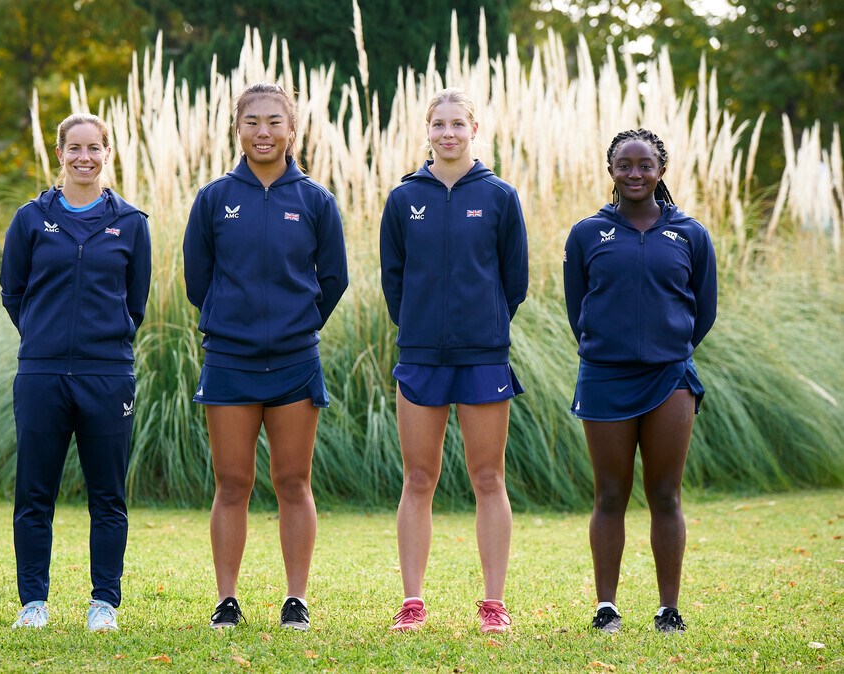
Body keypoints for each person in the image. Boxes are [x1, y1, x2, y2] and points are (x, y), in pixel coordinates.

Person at [182, 82, 349, 631]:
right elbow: (197, 279)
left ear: (292, 130)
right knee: (232, 483)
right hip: (228, 360)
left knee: (293, 482)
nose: (264, 132)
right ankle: (226, 599)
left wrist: (296, 326)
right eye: (253, 121)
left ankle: (295, 598)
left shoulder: (316, 200)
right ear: (238, 129)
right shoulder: (213, 199)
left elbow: (334, 279)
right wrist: (233, 323)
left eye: (275, 121)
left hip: (295, 362)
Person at [380, 88, 529, 634]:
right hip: (420, 357)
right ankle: (412, 602)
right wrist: (419, 327)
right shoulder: (403, 200)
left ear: (474, 129)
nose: (447, 133)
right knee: (419, 478)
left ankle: (494, 605)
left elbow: (515, 281)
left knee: (488, 477)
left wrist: (483, 324)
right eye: (438, 124)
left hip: (483, 356)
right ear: (426, 130)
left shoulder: (499, 197)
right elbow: (393, 280)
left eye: (457, 124)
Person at [0, 113, 152, 632]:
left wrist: (102, 342)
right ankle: (33, 603)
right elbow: (13, 292)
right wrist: (43, 337)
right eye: (75, 148)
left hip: (107, 376)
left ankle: (104, 602)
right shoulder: (29, 219)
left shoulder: (131, 223)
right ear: (58, 152)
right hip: (41, 375)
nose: (84, 158)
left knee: (108, 494)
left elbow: (136, 303)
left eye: (95, 148)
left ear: (107, 153)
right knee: (34, 492)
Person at [563, 128, 717, 634]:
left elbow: (704, 311)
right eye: (624, 165)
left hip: (670, 377)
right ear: (610, 170)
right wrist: (608, 347)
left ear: (661, 170)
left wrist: (667, 346)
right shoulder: (588, 232)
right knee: (609, 493)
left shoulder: (690, 234)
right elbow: (577, 306)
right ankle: (606, 606)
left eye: (644, 165)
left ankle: (668, 608)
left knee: (666, 493)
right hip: (605, 376)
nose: (634, 173)